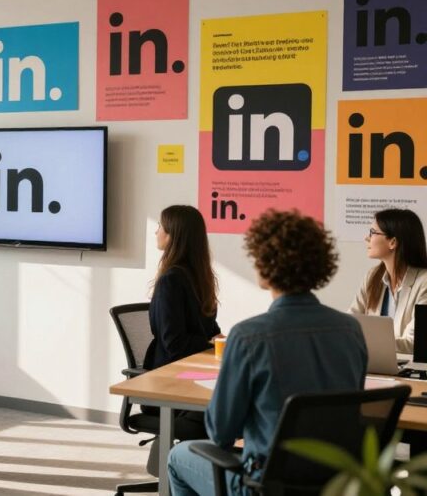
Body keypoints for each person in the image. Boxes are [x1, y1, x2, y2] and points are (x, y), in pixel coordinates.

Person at [167, 210, 367, 496]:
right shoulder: (351, 331)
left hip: (265, 485)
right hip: (336, 482)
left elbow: (220, 433)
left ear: (264, 266)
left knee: (178, 457)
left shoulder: (249, 337)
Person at [142, 205, 221, 442]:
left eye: (160, 226)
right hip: (169, 378)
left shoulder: (186, 278)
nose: (156, 232)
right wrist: (209, 341)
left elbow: (207, 330)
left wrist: (215, 339)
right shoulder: (181, 278)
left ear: (173, 234)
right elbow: (175, 344)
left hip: (182, 376)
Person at [349, 208, 427, 353]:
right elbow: (351, 323)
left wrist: (366, 343)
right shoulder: (372, 276)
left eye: (372, 232)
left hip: (408, 371)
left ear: (393, 242)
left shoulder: (424, 283)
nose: (367, 238)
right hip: (374, 366)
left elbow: (414, 344)